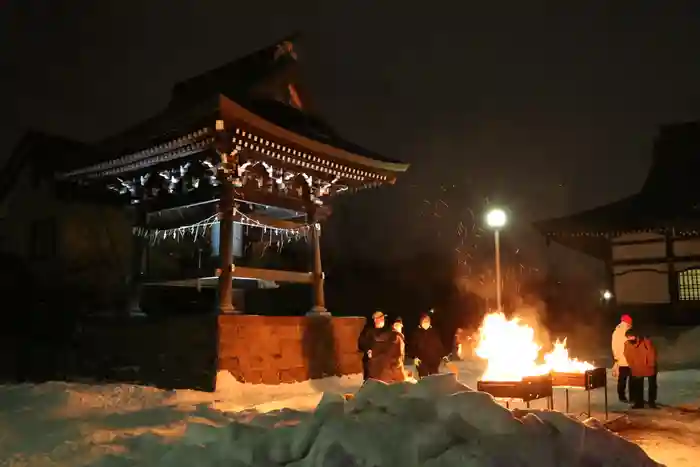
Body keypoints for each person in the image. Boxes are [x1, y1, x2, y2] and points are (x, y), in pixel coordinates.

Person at [624, 329, 658, 409]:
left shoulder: (646, 342)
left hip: (648, 366)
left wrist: (651, 364)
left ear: (636, 336)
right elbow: (627, 354)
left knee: (652, 385)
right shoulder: (627, 344)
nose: (630, 338)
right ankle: (639, 403)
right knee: (638, 386)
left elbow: (652, 352)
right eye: (628, 337)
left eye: (631, 336)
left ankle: (651, 402)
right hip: (637, 367)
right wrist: (631, 364)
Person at [368, 318, 408, 383]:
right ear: (393, 325)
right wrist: (402, 376)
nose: (400, 328)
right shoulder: (396, 338)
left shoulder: (381, 337)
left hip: (379, 375)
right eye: (398, 325)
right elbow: (397, 360)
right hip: (392, 374)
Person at [408, 312, 446, 378]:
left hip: (434, 361)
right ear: (421, 322)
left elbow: (438, 345)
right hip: (421, 361)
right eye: (424, 321)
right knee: (423, 378)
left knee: (434, 377)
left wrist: (443, 355)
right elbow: (412, 347)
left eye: (427, 321)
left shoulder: (433, 332)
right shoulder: (416, 334)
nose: (426, 323)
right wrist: (414, 357)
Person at [358, 311, 386, 381]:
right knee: (370, 380)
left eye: (382, 318)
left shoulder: (387, 330)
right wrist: (368, 350)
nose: (382, 319)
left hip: (384, 362)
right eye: (379, 318)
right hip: (371, 362)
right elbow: (361, 342)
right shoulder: (368, 331)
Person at [612, 314, 633, 402]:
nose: (630, 325)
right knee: (624, 379)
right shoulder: (621, 332)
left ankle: (624, 396)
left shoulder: (618, 331)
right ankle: (622, 396)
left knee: (624, 379)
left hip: (626, 360)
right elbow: (617, 347)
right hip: (625, 360)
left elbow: (614, 346)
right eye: (630, 324)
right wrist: (617, 359)